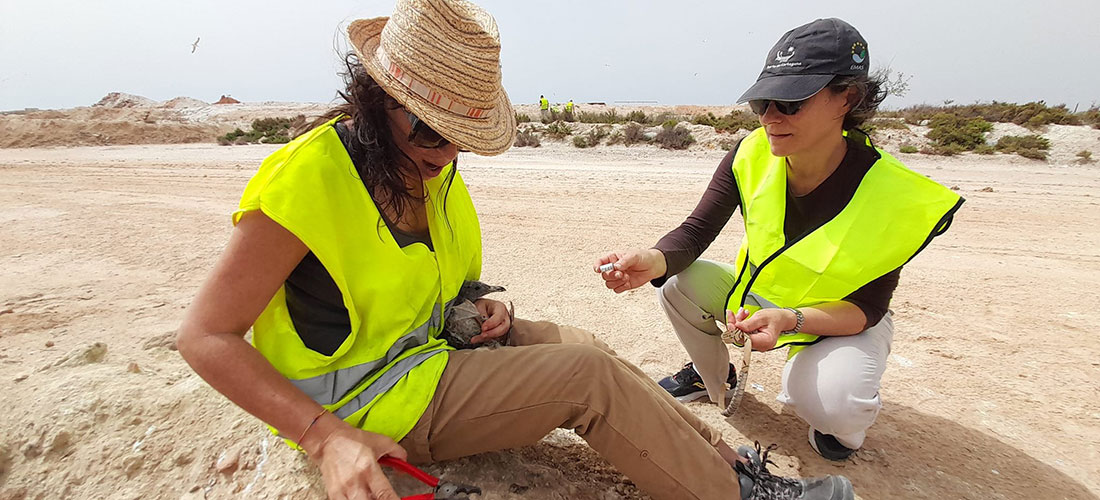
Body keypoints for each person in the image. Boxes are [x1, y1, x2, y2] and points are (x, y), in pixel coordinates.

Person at [176, 1, 853, 499]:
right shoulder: (309, 180)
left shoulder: (424, 164)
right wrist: (325, 438)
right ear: (379, 95)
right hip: (363, 401)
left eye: (459, 136)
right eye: (429, 129)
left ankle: (726, 463)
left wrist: (478, 310)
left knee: (583, 342)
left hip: (423, 356)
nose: (446, 152)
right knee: (585, 379)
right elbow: (205, 336)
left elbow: (437, 280)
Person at [596, 18, 963, 462]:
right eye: (762, 101)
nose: (770, 117)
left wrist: (792, 320)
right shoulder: (750, 153)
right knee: (677, 285)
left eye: (790, 101)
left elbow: (868, 308)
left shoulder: (894, 195)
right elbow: (696, 232)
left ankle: (838, 420)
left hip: (839, 320)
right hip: (762, 301)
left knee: (831, 404)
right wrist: (652, 260)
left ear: (847, 98)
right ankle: (712, 377)